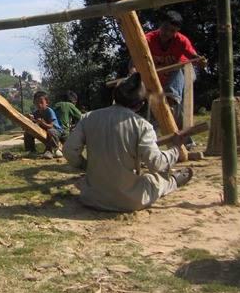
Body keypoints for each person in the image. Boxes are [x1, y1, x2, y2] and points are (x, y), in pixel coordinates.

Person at [63, 73, 193, 212]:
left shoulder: (88, 117)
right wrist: (175, 148)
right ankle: (174, 181)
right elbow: (156, 164)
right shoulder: (142, 125)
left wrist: (85, 165)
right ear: (140, 104)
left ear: (115, 96)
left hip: (92, 198)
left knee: (91, 181)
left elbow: (69, 151)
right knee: (155, 180)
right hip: (128, 201)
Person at [143, 10, 205, 140]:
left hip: (184, 74)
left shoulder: (181, 41)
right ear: (160, 25)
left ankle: (171, 98)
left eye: (172, 31)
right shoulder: (148, 39)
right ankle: (185, 141)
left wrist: (200, 62)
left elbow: (194, 58)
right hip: (161, 79)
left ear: (176, 31)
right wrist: (133, 71)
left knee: (179, 68)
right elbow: (135, 59)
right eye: (165, 28)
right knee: (170, 109)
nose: (167, 33)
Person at [24, 90, 63, 159]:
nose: (39, 105)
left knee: (51, 131)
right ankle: (31, 150)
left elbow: (51, 126)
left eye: (41, 102)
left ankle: (51, 150)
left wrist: (42, 123)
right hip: (45, 130)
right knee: (28, 132)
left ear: (47, 103)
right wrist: (30, 119)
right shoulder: (36, 113)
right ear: (34, 103)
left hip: (56, 131)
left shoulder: (49, 111)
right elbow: (35, 122)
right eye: (36, 103)